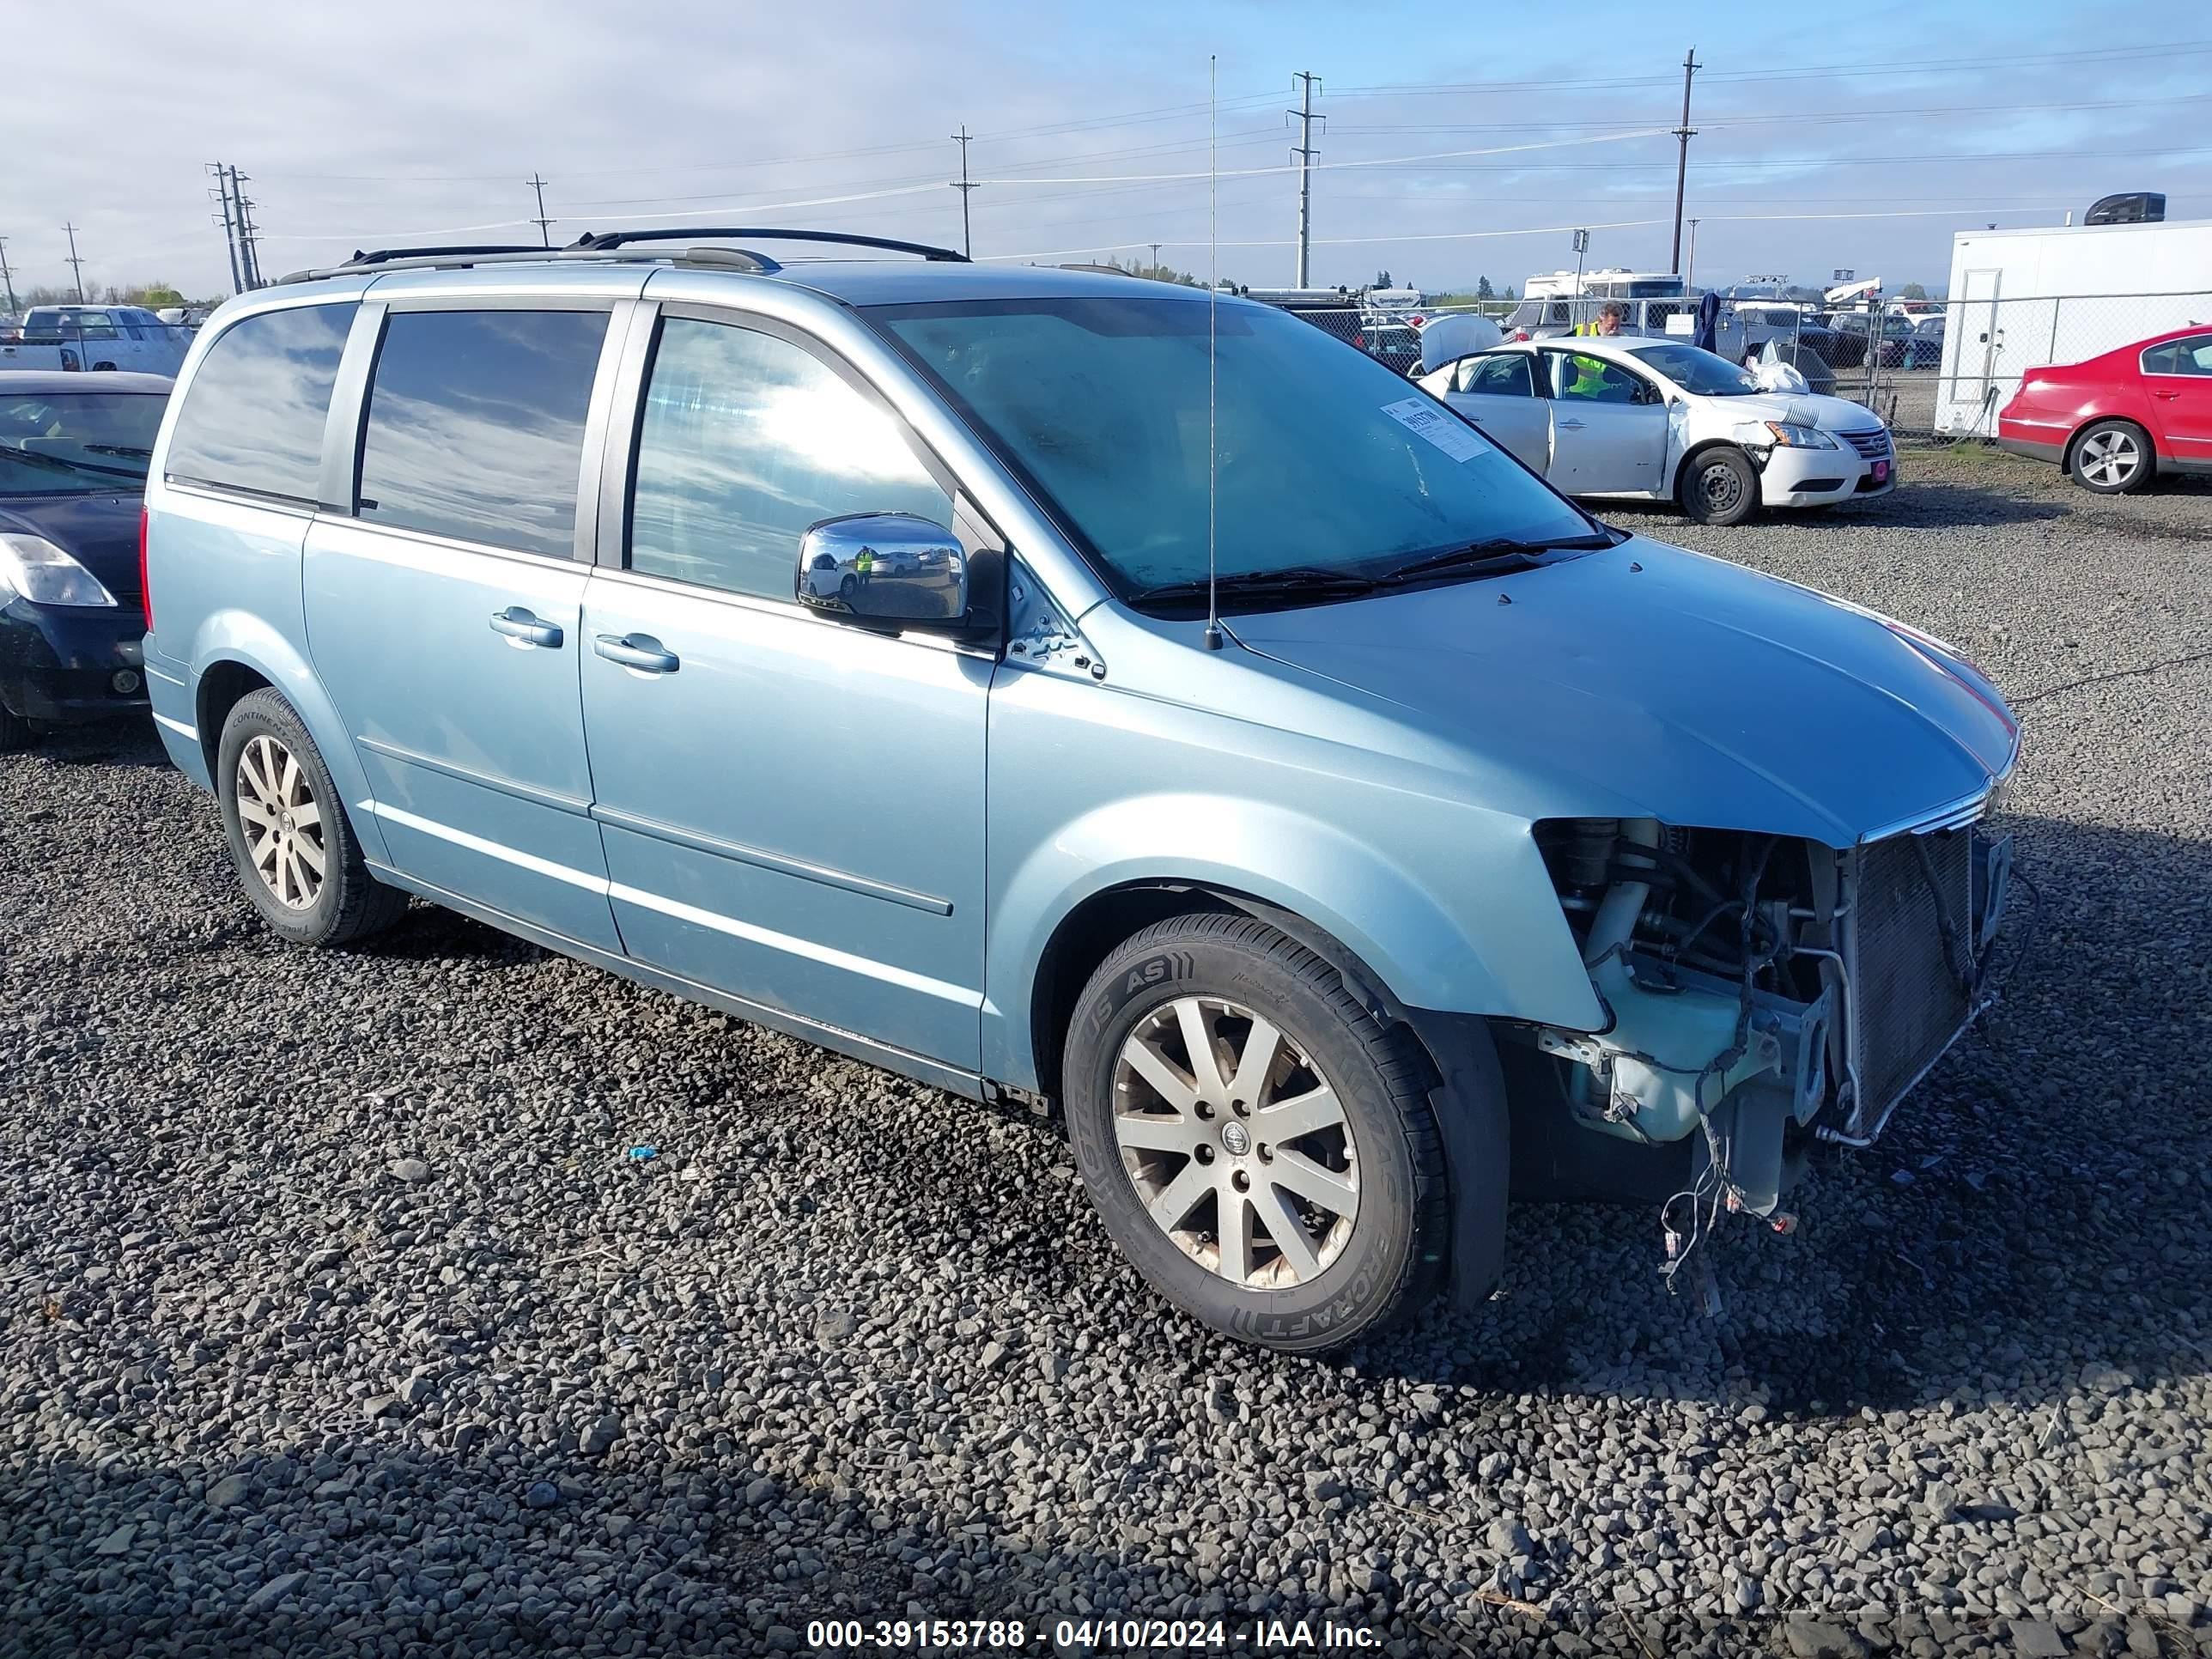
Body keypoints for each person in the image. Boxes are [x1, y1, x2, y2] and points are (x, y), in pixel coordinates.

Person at [1566, 301, 1626, 398]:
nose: (1614, 329)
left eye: (1618, 326)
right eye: (1611, 325)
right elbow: (1558, 347)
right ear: (1601, 321)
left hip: (1605, 394)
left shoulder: (1622, 339)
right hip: (1579, 393)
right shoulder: (1582, 332)